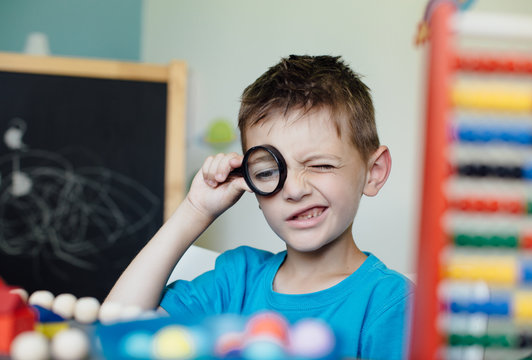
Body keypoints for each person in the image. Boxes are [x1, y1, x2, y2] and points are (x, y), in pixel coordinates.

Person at [105, 55, 414, 359]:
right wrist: (196, 210)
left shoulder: (392, 303)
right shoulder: (235, 281)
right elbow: (114, 329)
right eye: (268, 173)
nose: (294, 190)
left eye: (320, 165)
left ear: (373, 172)